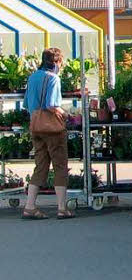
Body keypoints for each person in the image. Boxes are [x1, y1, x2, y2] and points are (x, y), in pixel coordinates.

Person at [22, 48, 71, 220]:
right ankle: (61, 208)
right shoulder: (53, 78)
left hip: (36, 127)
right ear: (57, 62)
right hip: (52, 129)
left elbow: (26, 104)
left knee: (40, 166)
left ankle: (29, 207)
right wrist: (66, 115)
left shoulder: (33, 77)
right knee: (60, 166)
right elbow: (52, 104)